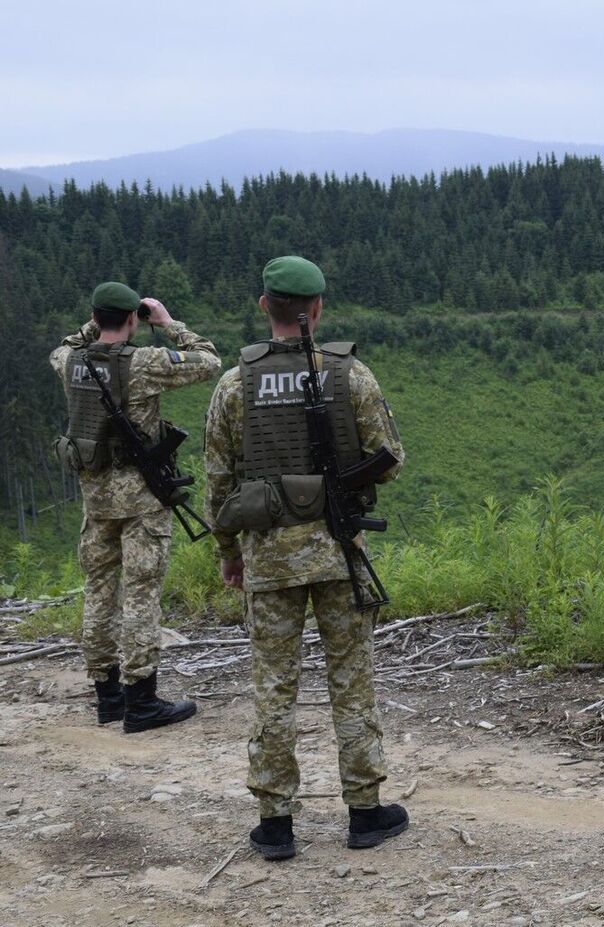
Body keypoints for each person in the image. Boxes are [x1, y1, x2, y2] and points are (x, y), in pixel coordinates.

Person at [203, 255, 408, 861]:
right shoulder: (352, 375)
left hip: (268, 558)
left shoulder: (235, 384)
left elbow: (218, 483)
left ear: (265, 305)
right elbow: (391, 457)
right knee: (352, 684)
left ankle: (275, 823)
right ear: (318, 309)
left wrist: (228, 554)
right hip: (341, 554)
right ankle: (365, 812)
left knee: (273, 688)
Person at [50, 282, 221, 731]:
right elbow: (208, 359)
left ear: (94, 316)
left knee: (99, 593)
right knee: (141, 595)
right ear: (132, 320)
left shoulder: (69, 362)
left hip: (96, 500)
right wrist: (166, 323)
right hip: (143, 500)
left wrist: (99, 321)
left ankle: (107, 698)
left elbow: (68, 343)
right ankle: (142, 700)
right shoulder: (143, 363)